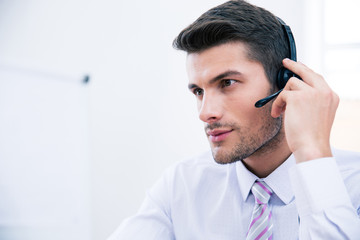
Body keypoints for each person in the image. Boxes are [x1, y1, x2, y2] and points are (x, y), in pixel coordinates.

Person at [108, 1, 360, 239]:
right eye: (198, 91)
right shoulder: (181, 186)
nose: (205, 113)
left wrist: (312, 151)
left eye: (227, 83)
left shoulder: (352, 185)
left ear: (283, 82)